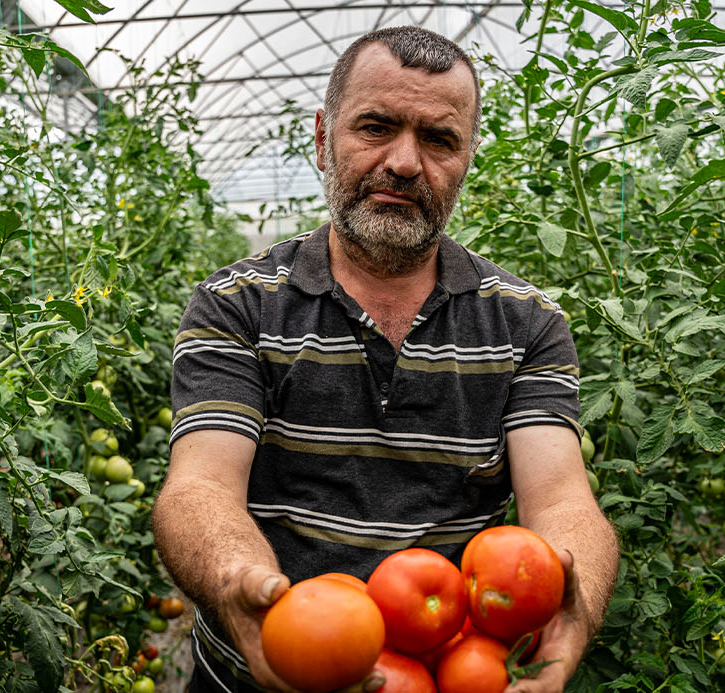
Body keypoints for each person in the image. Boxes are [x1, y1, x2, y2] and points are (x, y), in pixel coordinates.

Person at [153, 26, 619, 692]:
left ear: (466, 158)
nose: (404, 162)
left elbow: (565, 499)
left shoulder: (527, 322)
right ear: (322, 138)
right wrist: (239, 582)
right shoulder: (239, 303)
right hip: (254, 674)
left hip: (444, 675)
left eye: (438, 139)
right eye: (375, 127)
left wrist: (573, 602)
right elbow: (200, 488)